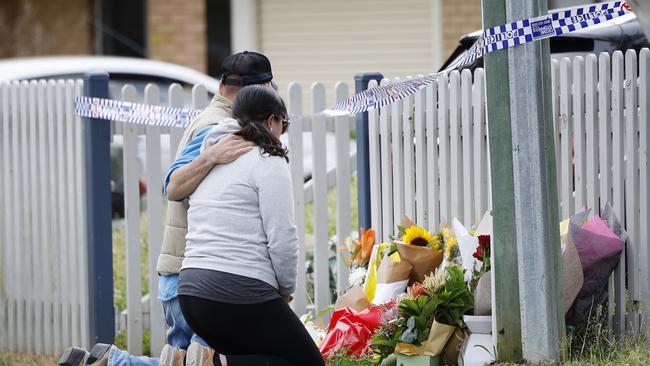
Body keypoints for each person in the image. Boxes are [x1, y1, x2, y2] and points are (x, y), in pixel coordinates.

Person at [58, 51, 274, 366]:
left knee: (186, 362)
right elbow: (173, 185)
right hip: (200, 278)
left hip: (183, 276)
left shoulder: (214, 119)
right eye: (271, 87)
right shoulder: (219, 126)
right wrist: (211, 156)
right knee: (206, 363)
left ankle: (106, 361)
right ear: (259, 89)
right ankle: (114, 362)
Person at [177, 85, 325, 366]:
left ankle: (207, 362)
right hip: (236, 287)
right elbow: (282, 235)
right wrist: (284, 290)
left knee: (255, 358)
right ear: (272, 121)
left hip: (191, 291)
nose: (282, 133)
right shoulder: (267, 159)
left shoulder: (211, 157)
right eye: (284, 124)